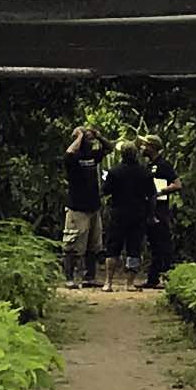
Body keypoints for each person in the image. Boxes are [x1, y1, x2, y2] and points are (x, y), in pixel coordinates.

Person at [102, 136, 159, 291]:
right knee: (134, 248)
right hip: (138, 214)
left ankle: (108, 282)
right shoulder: (145, 172)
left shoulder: (114, 172)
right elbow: (152, 195)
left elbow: (105, 191)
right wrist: (151, 215)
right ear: (136, 154)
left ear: (122, 154)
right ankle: (130, 283)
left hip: (118, 213)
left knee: (113, 247)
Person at [61, 123, 108, 288]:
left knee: (93, 245)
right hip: (77, 208)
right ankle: (70, 278)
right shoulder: (73, 158)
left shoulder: (91, 156)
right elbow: (68, 154)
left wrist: (98, 136)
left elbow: (108, 148)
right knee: (72, 245)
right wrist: (79, 136)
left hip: (93, 206)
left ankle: (90, 277)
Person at [143, 157, 185, 286]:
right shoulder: (148, 165)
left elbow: (177, 184)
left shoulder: (163, 165)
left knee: (163, 244)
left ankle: (166, 277)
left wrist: (161, 191)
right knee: (154, 245)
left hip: (160, 210)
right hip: (149, 209)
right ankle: (153, 278)